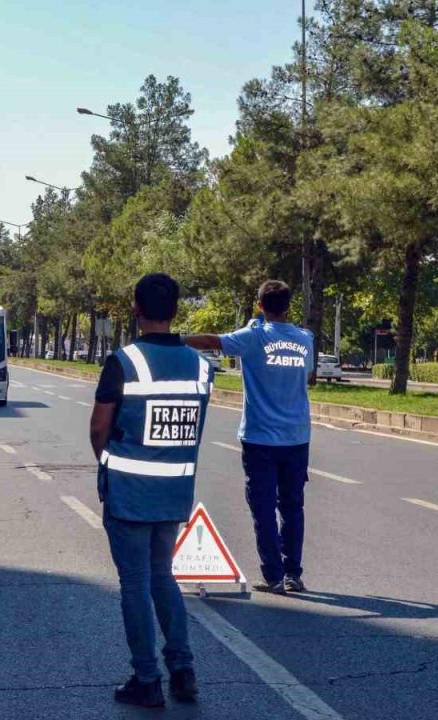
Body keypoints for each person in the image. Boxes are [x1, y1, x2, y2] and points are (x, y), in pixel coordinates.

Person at [90, 273, 213, 708]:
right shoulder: (202, 366)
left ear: (136, 310)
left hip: (129, 492)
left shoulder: (123, 361)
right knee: (164, 577)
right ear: (176, 310)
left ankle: (147, 679)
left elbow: (100, 427)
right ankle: (183, 669)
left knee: (136, 584)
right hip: (174, 491)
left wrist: (107, 463)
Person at [184, 280, 315, 595]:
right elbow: (306, 373)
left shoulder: (253, 337)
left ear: (259, 305)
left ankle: (273, 575)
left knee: (263, 506)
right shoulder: (305, 340)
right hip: (297, 437)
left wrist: (174, 339)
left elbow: (211, 340)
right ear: (288, 305)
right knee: (293, 506)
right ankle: (292, 574)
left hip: (259, 438)